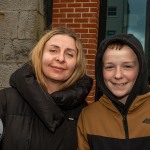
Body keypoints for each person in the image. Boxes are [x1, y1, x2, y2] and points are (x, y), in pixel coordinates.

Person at [0, 27, 93, 150]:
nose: (60, 58)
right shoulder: (6, 100)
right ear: (40, 55)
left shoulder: (84, 113)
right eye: (53, 50)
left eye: (69, 54)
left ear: (77, 63)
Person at [77, 33, 150, 150]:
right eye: (110, 67)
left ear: (140, 69)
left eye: (127, 66)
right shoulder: (88, 116)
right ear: (101, 71)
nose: (118, 75)